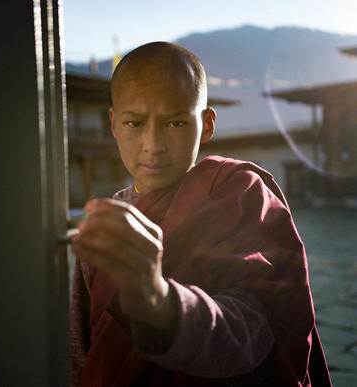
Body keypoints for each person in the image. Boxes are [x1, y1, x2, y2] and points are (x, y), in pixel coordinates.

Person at [70, 42, 331, 386]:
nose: (152, 144)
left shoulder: (238, 197)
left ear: (207, 125)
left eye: (175, 123)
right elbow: (82, 346)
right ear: (114, 124)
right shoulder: (105, 225)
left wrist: (160, 301)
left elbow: (252, 331)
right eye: (134, 123)